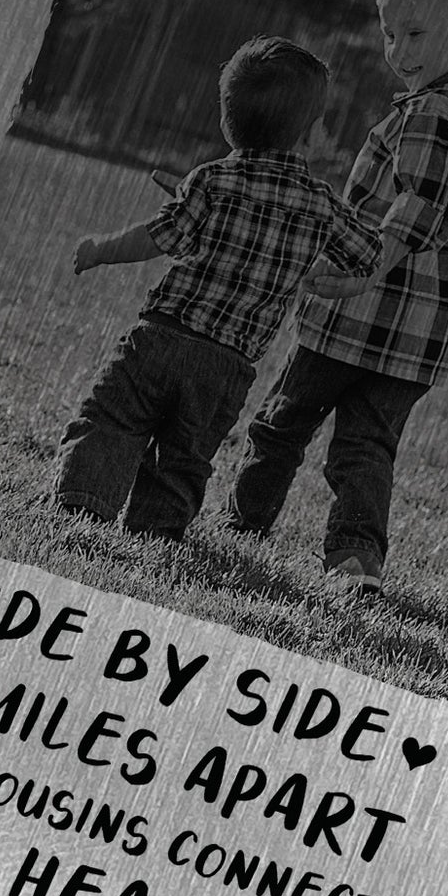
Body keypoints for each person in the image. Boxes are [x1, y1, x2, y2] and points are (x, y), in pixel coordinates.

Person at [228, 0, 448, 598]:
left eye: (415, 33)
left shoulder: (430, 110)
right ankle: (355, 561)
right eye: (390, 33)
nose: (398, 50)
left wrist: (371, 264)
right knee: (367, 448)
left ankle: (243, 525)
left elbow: (418, 202)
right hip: (424, 338)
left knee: (282, 422)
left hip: (356, 314)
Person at [54, 35, 382, 540]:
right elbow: (369, 254)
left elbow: (156, 237)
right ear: (311, 135)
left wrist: (100, 248)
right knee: (185, 456)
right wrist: (330, 277)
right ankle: (155, 534)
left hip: (162, 337)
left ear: (228, 123)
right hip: (227, 366)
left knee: (112, 419)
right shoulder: (322, 204)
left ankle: (83, 506)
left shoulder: (211, 179)